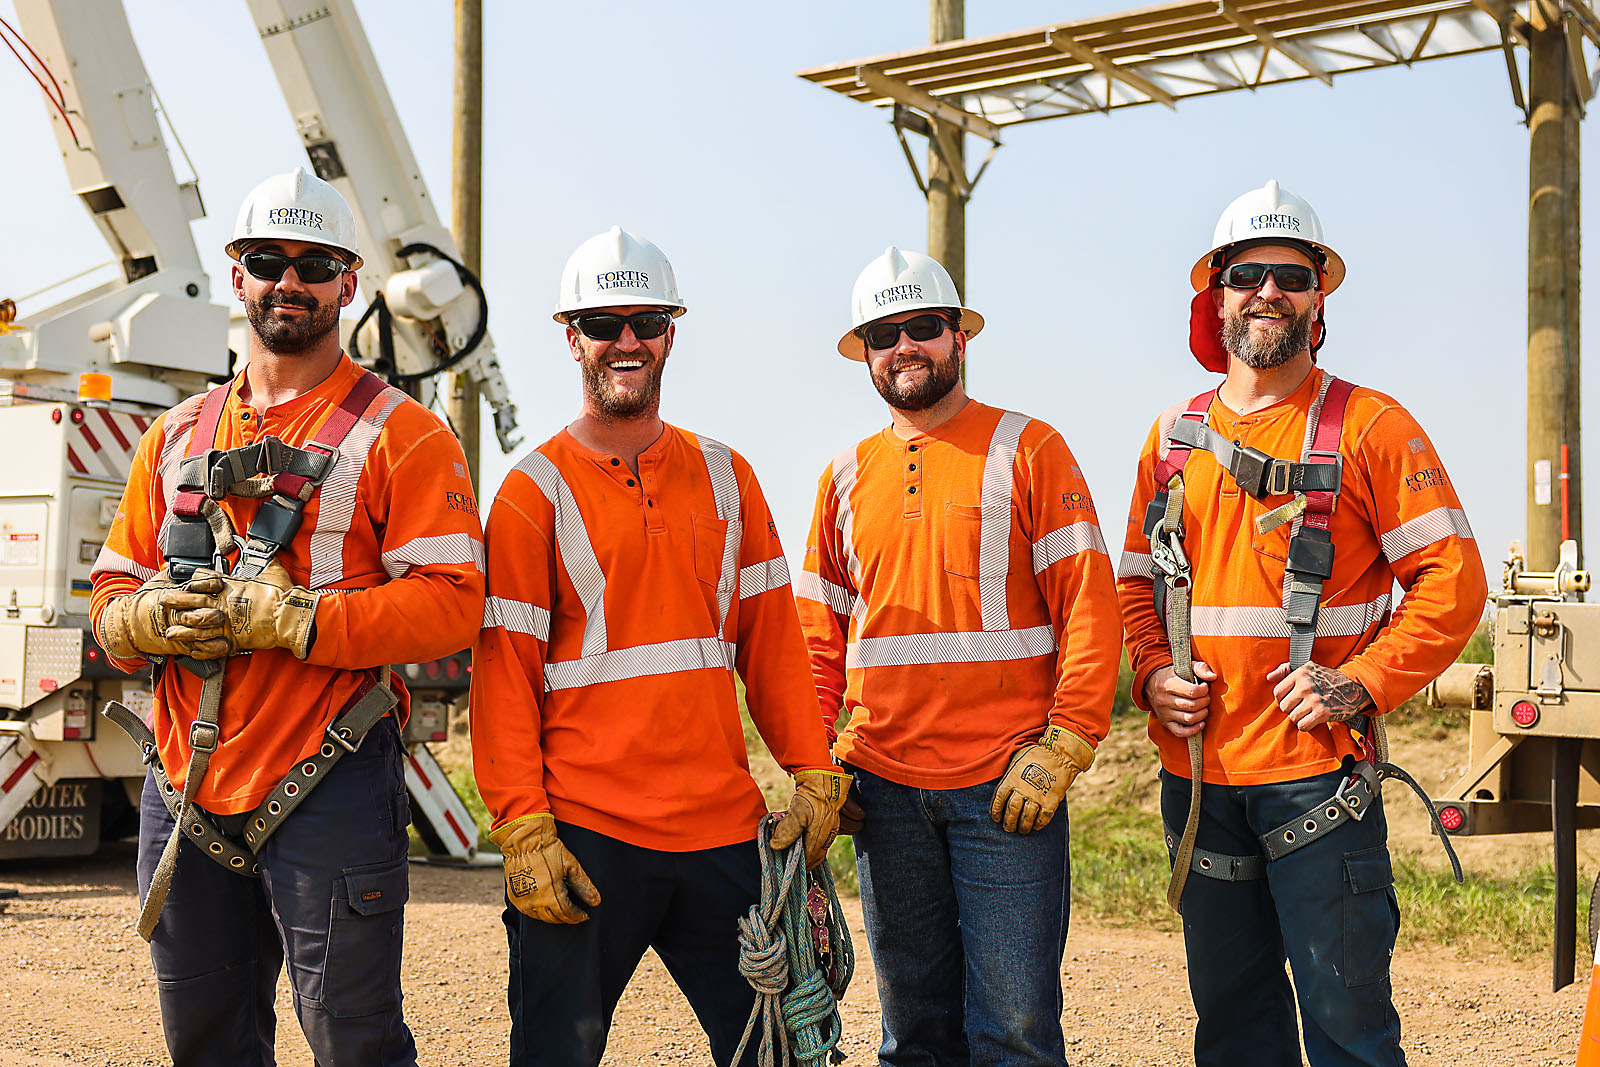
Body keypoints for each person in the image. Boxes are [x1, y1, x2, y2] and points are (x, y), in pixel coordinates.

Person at [89, 167, 485, 1066]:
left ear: (350, 282)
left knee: (354, 1042)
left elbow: (454, 605)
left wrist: (297, 622)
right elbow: (110, 596)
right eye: (268, 260)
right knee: (206, 1043)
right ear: (238, 276)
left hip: (328, 782)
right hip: (184, 784)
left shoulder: (404, 433)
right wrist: (142, 622)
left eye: (315, 264)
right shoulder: (178, 436)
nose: (289, 282)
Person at [1117, 180, 1488, 1066]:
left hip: (1319, 783)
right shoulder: (1171, 438)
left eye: (1290, 274)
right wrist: (1151, 677)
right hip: (1202, 781)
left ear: (1318, 296)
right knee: (1236, 1031)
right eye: (1248, 273)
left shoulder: (1371, 426)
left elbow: (1453, 580)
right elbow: (1134, 588)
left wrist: (1359, 681)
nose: (1268, 291)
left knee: (1348, 1033)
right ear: (1217, 294)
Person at [470, 226, 850, 1067]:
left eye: (645, 320)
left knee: (779, 1055)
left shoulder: (728, 475)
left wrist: (811, 765)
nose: (626, 340)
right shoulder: (533, 492)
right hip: (584, 832)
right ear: (573, 338)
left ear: (672, 331)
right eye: (604, 323)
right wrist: (522, 827)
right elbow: (503, 676)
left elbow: (775, 645)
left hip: (720, 827)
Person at [795, 246, 1122, 1065]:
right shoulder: (843, 476)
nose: (904, 345)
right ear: (864, 352)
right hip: (884, 792)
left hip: (1007, 790)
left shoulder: (1030, 449)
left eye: (923, 327)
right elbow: (814, 638)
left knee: (1013, 1033)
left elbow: (1089, 604)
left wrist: (1069, 740)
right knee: (913, 1037)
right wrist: (814, 763)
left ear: (960, 338)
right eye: (883, 333)